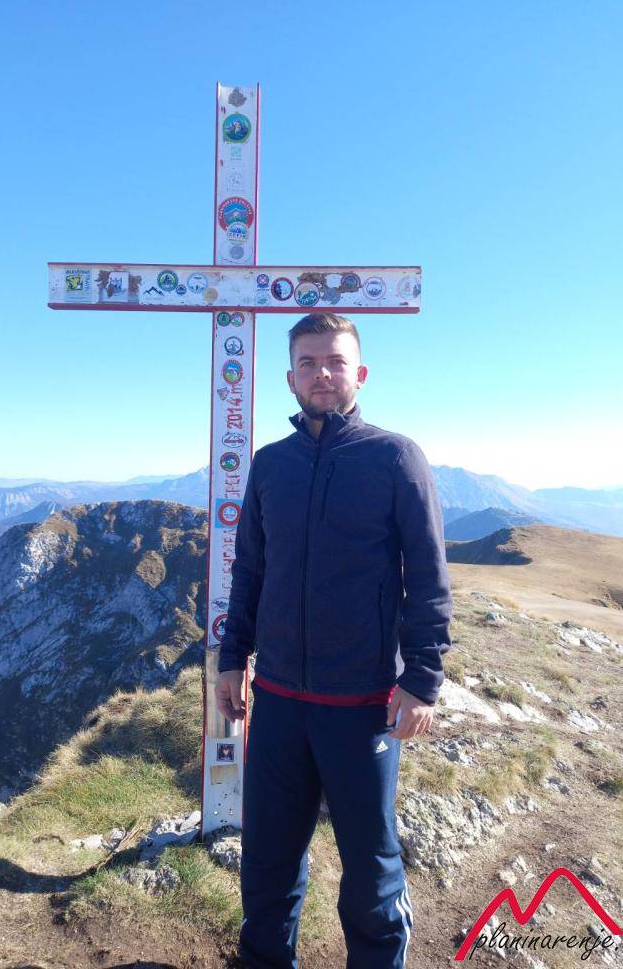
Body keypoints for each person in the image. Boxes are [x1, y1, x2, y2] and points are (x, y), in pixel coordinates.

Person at [215, 312, 453, 968]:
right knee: (267, 857)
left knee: (371, 868)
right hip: (278, 700)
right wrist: (233, 659)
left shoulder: (395, 457)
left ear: (360, 373)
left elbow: (428, 576)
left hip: (363, 704)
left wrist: (422, 679)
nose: (322, 373)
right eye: (309, 363)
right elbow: (251, 570)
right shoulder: (270, 465)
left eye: (336, 361)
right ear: (290, 377)